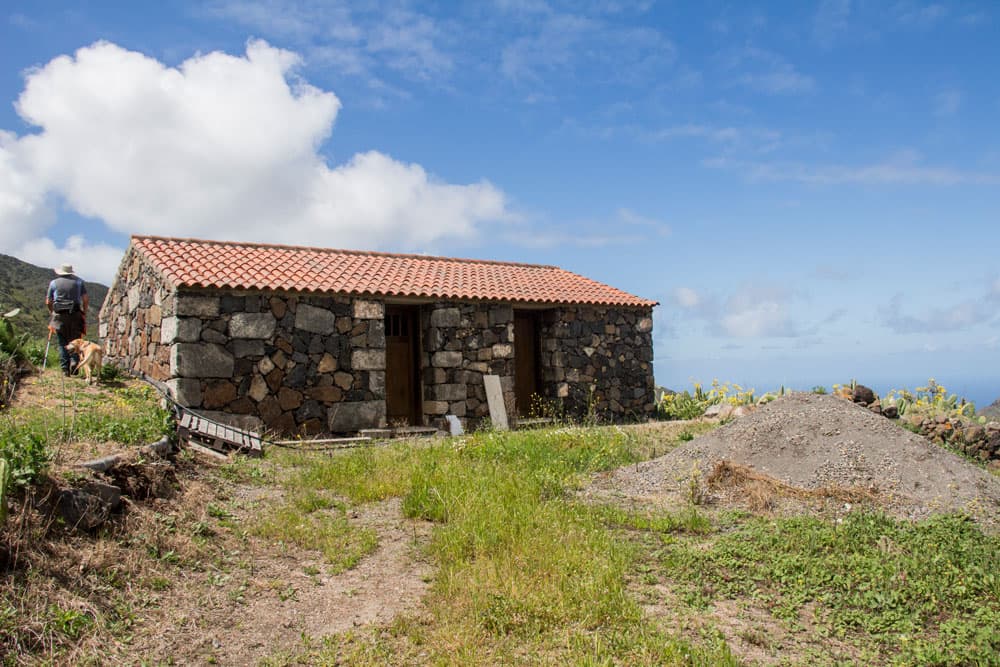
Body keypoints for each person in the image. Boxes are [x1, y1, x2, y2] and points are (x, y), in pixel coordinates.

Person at [46, 263, 89, 376]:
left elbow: (48, 302)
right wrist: (84, 312)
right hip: (75, 315)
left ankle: (65, 368)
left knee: (62, 342)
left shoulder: (54, 283)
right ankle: (75, 362)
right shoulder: (79, 282)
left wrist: (52, 312)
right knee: (75, 341)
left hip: (59, 316)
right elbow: (85, 299)